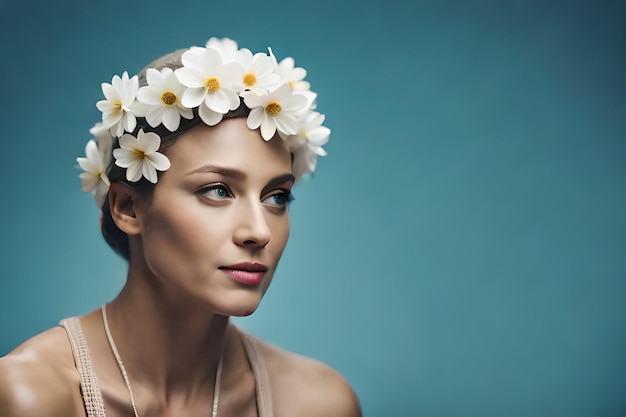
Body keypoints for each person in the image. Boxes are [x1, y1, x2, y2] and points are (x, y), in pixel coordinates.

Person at [0, 37, 362, 417]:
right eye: (218, 191)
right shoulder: (32, 397)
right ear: (128, 208)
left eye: (276, 197)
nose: (259, 232)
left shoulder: (318, 404)